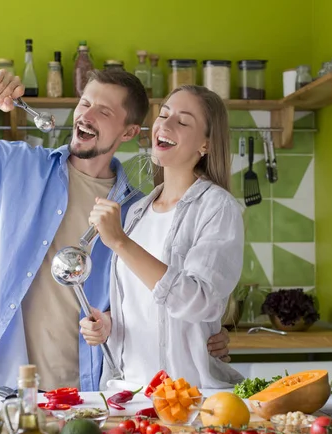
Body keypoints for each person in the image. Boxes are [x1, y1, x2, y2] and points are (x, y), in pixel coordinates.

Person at [0, 69, 232, 395]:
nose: (87, 116)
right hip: (11, 387)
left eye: (104, 111)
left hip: (91, 392)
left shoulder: (133, 211)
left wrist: (206, 331)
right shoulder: (17, 167)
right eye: (85, 103)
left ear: (130, 131)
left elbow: (154, 300)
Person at [80, 85, 245, 388]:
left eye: (182, 121)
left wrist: (121, 243)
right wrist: (108, 323)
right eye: (164, 115)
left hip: (191, 397)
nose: (164, 125)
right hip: (130, 392)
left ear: (206, 144)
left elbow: (200, 303)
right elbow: (142, 306)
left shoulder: (218, 207)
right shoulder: (137, 212)